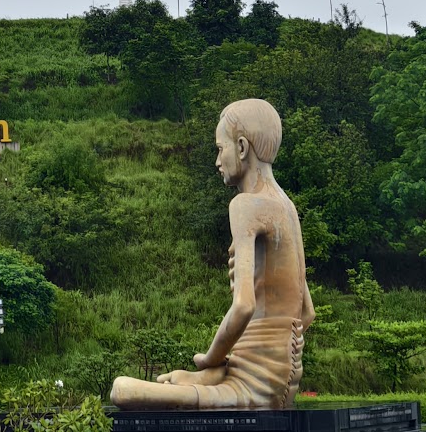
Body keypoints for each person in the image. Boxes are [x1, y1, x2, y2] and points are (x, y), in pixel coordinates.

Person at [111, 98, 314, 410]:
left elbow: (244, 306)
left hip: (252, 389)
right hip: (281, 382)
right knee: (180, 379)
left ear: (243, 147)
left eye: (221, 149)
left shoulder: (247, 205)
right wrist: (225, 369)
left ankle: (212, 378)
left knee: (122, 390)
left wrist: (210, 359)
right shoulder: (287, 208)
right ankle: (211, 379)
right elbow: (306, 312)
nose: (218, 160)